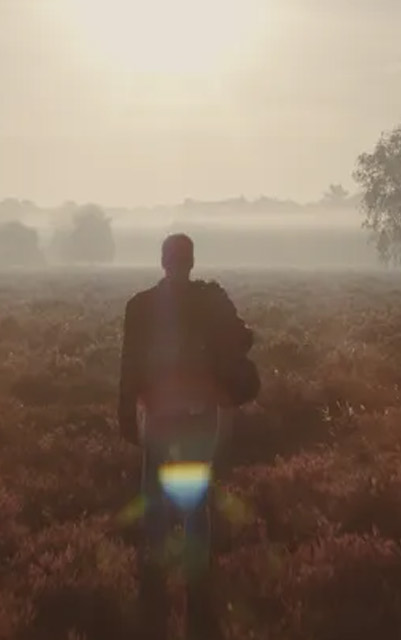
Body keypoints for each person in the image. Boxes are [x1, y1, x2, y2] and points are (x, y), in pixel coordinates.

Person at [118, 233, 258, 640]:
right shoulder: (211, 301)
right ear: (192, 262)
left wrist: (127, 417)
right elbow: (243, 340)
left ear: (162, 261)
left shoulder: (140, 306)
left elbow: (129, 367)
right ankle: (197, 589)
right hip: (199, 416)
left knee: (156, 498)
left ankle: (154, 589)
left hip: (160, 417)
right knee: (195, 503)